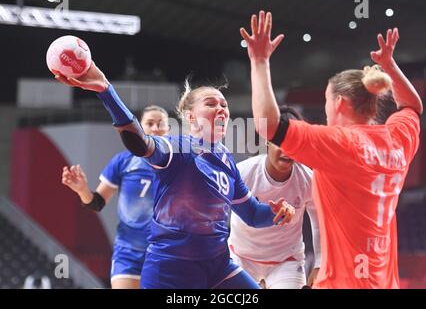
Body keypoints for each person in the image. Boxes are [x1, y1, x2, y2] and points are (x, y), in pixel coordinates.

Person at [53, 63, 295, 289]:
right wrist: (106, 90)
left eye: (224, 104)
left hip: (218, 266)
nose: (221, 108)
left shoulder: (226, 160)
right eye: (211, 103)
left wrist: (278, 212)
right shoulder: (176, 149)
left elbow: (252, 213)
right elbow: (139, 143)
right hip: (171, 269)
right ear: (190, 117)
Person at [241, 11, 423, 288]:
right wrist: (389, 65)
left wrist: (259, 61)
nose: (325, 108)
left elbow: (271, 126)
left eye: (326, 99)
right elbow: (412, 107)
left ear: (338, 102)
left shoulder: (339, 144)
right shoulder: (398, 138)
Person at [62, 106, 169, 289]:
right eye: (149, 123)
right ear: (140, 129)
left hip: (165, 251)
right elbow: (97, 203)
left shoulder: (177, 164)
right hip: (128, 250)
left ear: (168, 130)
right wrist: (82, 190)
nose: (155, 128)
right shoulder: (123, 161)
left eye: (161, 124)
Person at [228, 105, 321, 289]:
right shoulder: (243, 172)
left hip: (286, 261)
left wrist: (319, 264)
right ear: (267, 141)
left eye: (293, 144)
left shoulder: (308, 179)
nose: (287, 151)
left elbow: (319, 224)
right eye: (281, 143)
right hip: (241, 258)